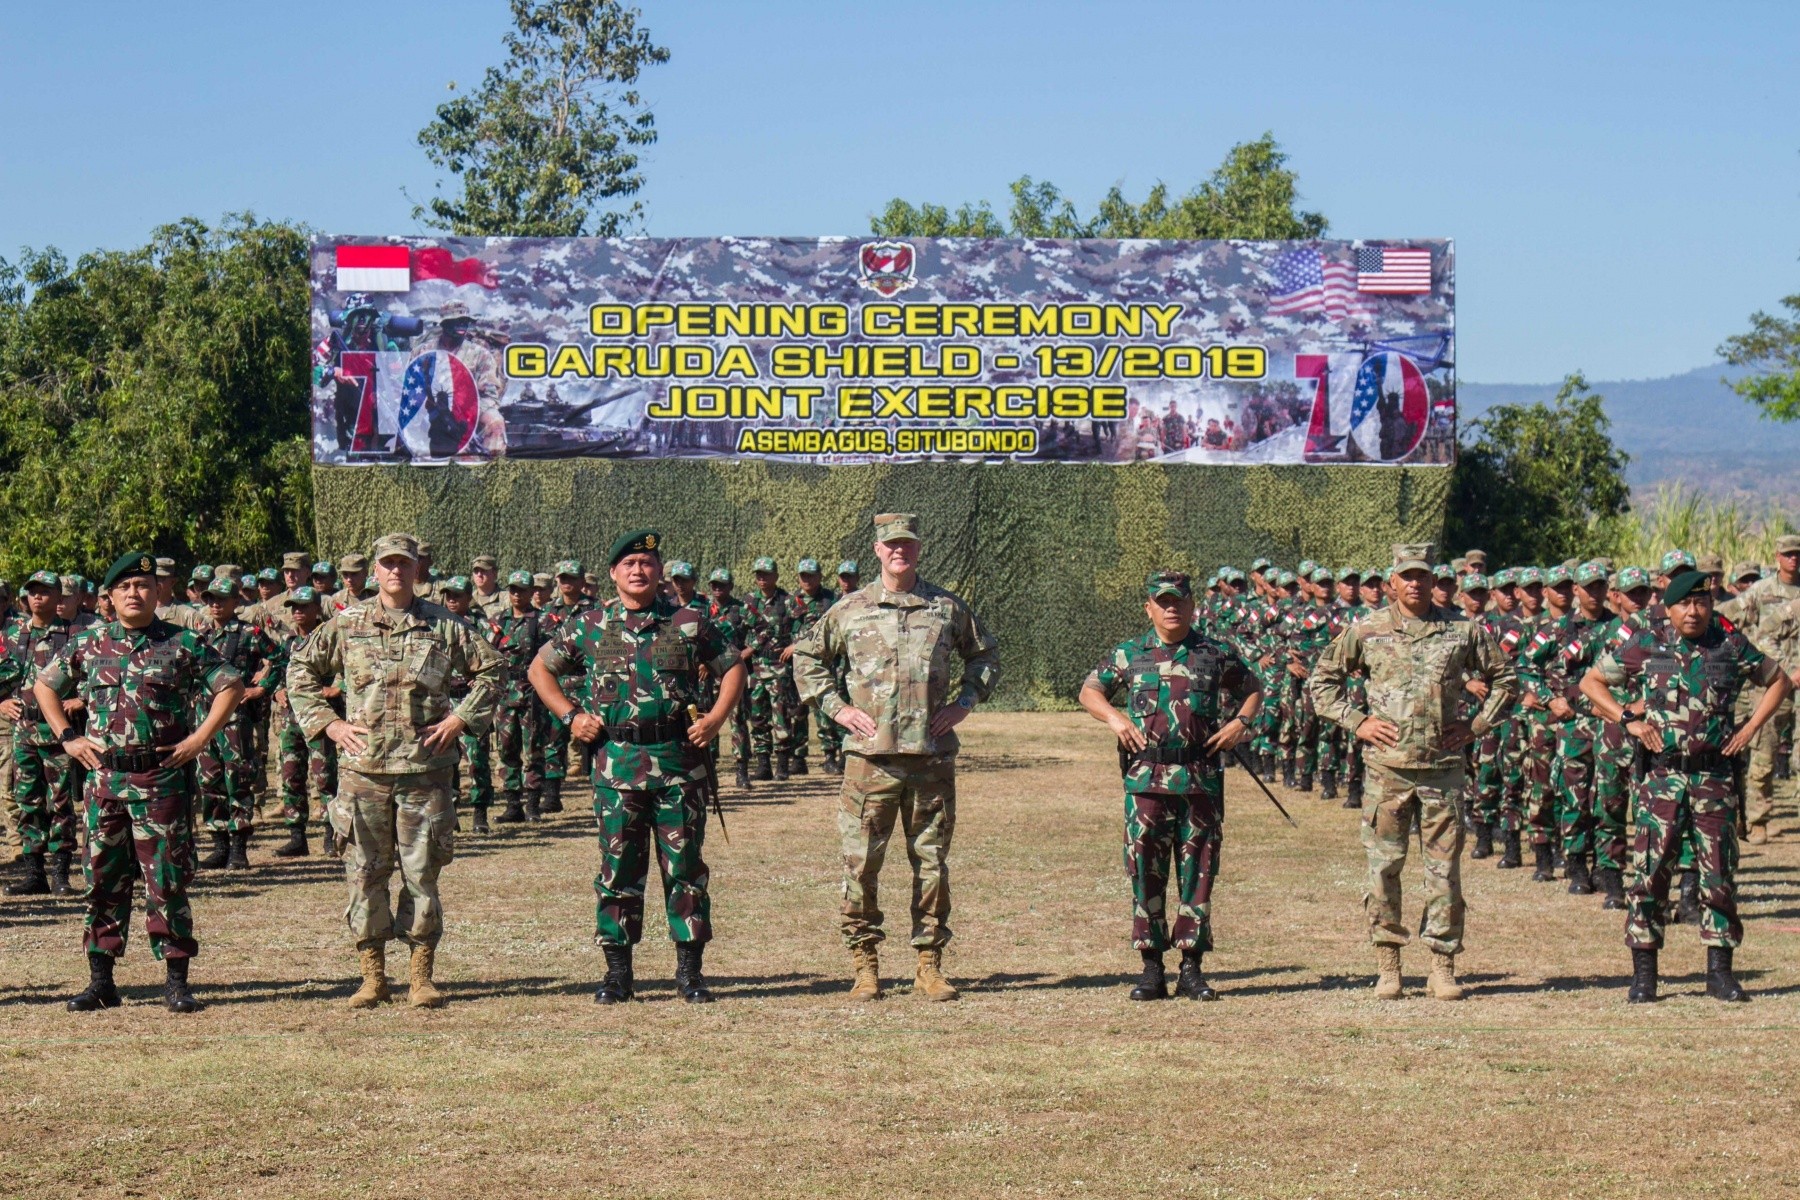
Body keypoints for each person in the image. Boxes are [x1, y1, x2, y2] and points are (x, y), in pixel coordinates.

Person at [528, 530, 747, 1004]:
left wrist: (715, 719)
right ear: (612, 573)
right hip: (617, 767)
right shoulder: (589, 625)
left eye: (647, 562)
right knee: (618, 870)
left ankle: (690, 974)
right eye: (628, 563)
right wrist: (571, 716)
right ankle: (617, 975)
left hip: (678, 766)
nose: (638, 570)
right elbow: (539, 669)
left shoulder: (689, 622)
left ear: (659, 570)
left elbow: (733, 668)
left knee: (685, 869)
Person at [285, 533, 502, 1010]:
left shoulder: (445, 626)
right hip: (363, 772)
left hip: (425, 772)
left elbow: (493, 671)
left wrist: (461, 719)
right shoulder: (347, 624)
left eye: (404, 564)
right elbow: (300, 670)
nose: (396, 572)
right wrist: (330, 724)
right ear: (377, 571)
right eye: (387, 564)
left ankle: (421, 976)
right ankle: (373, 976)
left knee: (422, 874)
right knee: (364, 874)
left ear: (416, 569)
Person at [791, 513, 1000, 1002]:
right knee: (861, 866)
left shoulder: (947, 608)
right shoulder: (850, 609)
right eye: (891, 545)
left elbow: (985, 655)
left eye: (907, 543)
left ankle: (929, 965)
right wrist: (836, 709)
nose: (899, 551)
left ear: (918, 548)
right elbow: (807, 657)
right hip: (870, 761)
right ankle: (865, 965)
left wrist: (964, 702)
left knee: (931, 864)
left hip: (930, 760)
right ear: (878, 550)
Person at [37, 551, 244, 1013]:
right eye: (125, 586)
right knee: (101, 880)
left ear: (158, 593)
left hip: (160, 778)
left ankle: (175, 982)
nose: (135, 593)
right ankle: (101, 981)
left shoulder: (183, 642)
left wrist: (198, 739)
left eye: (144, 586)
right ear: (109, 596)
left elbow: (229, 685)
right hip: (105, 778)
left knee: (166, 880)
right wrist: (68, 738)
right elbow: (45, 686)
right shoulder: (90, 644)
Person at [1309, 544, 1516, 1001]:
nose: (1416, 584)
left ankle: (1443, 966)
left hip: (1442, 772)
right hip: (1388, 772)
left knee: (1444, 872)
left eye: (1423, 576)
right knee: (1384, 869)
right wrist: (1358, 721)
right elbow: (1321, 682)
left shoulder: (1463, 631)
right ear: (1391, 585)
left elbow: (1506, 680)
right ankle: (1389, 964)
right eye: (1407, 576)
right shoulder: (1366, 630)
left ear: (1435, 580)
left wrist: (1476, 725)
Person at [1580, 569, 1794, 1003]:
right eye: (1684, 604)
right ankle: (1645, 974)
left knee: (1718, 874)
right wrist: (1628, 719)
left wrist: (1751, 727)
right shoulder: (1647, 642)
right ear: (1669, 607)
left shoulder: (1728, 642)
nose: (1693, 611)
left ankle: (1719, 973)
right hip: (1660, 778)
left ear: (1711, 604)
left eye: (1701, 603)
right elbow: (1591, 682)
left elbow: (1779, 680)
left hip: (1713, 777)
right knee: (1650, 874)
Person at [1079, 570, 1261, 1001]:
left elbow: (1253, 687)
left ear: (1192, 606)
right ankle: (1151, 968)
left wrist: (1242, 722)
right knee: (1145, 871)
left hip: (1200, 781)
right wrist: (1115, 718)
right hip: (1145, 782)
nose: (1171, 608)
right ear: (1149, 607)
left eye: (1178, 600)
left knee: (1198, 873)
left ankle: (1192, 968)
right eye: (1162, 601)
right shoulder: (1130, 653)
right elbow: (1090, 690)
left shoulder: (1214, 653)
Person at [2, 571, 82, 896]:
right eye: (32, 591)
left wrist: (82, 699)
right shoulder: (11, 633)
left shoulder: (75, 635)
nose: (37, 597)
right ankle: (34, 874)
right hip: (23, 730)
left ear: (58, 596)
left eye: (45, 592)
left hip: (58, 731)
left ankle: (61, 874)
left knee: (60, 801)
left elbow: (99, 676)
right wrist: (2, 702)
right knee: (27, 800)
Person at [188, 578, 276, 870]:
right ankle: (219, 844)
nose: (215, 604)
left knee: (237, 777)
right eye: (211, 599)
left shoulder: (249, 633)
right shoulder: (199, 634)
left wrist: (262, 688)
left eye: (222, 599)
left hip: (235, 719)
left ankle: (238, 846)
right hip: (203, 717)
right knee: (209, 778)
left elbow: (281, 658)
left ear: (235, 602)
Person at [1724, 535, 1800, 843]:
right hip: (1773, 681)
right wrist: (1783, 669)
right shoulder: (1762, 591)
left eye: (1798, 554)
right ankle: (1757, 820)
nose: (1794, 559)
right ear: (1778, 556)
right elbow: (1731, 616)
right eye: (1789, 554)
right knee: (1764, 749)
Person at [267, 587, 338, 857]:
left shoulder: (329, 637)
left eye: (303, 606)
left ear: (316, 608)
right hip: (291, 718)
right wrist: (276, 691)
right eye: (293, 606)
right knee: (291, 775)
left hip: (320, 715)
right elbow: (273, 672)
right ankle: (297, 837)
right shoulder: (287, 643)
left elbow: (349, 666)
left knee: (325, 776)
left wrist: (336, 688)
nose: (297, 611)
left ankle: (331, 834)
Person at [492, 570, 550, 824]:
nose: (517, 594)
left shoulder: (541, 621)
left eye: (522, 590)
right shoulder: (499, 621)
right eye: (512, 590)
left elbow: (551, 656)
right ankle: (512, 805)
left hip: (531, 692)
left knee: (534, 748)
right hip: (505, 693)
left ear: (530, 592)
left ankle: (533, 805)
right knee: (506, 748)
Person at [742, 557, 802, 780]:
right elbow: (740, 631)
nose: (762, 578)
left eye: (766, 574)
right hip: (756, 667)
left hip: (779, 666)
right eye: (758, 574)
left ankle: (783, 765)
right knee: (757, 715)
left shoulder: (788, 601)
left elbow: (803, 626)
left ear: (776, 576)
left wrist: (795, 644)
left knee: (781, 715)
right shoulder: (748, 602)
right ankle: (763, 764)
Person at [784, 558, 839, 775]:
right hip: (795, 667)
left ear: (820, 576)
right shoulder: (790, 602)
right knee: (797, 713)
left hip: (822, 665)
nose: (807, 579)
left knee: (824, 711)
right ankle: (798, 758)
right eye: (803, 576)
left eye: (811, 575)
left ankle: (830, 756)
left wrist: (798, 643)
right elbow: (781, 631)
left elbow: (833, 630)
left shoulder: (831, 600)